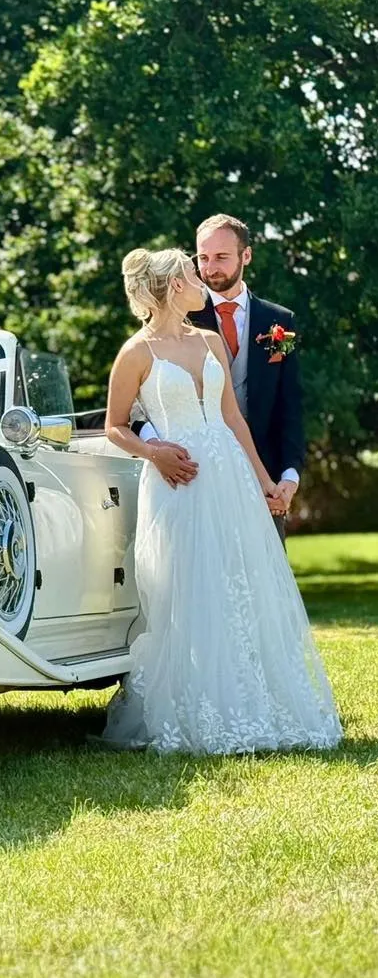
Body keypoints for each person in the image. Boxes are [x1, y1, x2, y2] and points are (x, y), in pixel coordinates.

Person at [99, 246, 341, 754]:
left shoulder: (210, 341)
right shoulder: (136, 353)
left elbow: (233, 419)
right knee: (190, 590)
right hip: (177, 484)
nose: (200, 281)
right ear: (170, 288)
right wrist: (154, 451)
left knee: (241, 587)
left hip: (229, 477)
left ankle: (254, 699)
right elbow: (114, 427)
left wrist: (263, 481)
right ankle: (194, 704)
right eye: (191, 274)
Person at [136, 214, 304, 540]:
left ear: (246, 256)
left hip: (264, 478)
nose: (210, 268)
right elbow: (139, 403)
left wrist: (288, 476)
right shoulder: (175, 315)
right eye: (203, 258)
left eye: (221, 257)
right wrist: (157, 448)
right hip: (193, 475)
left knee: (264, 579)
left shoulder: (279, 320)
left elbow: (291, 408)